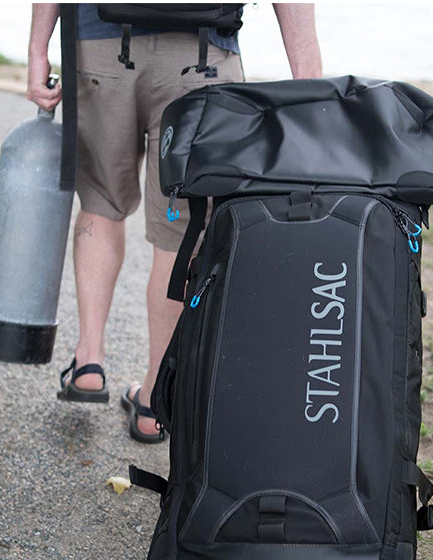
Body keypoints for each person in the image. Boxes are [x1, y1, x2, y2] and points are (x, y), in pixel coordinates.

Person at [27, 3, 323, 442]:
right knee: (182, 231)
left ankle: (88, 361)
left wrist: (38, 49)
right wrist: (309, 82)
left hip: (101, 44)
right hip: (202, 55)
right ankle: (153, 399)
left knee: (100, 202)